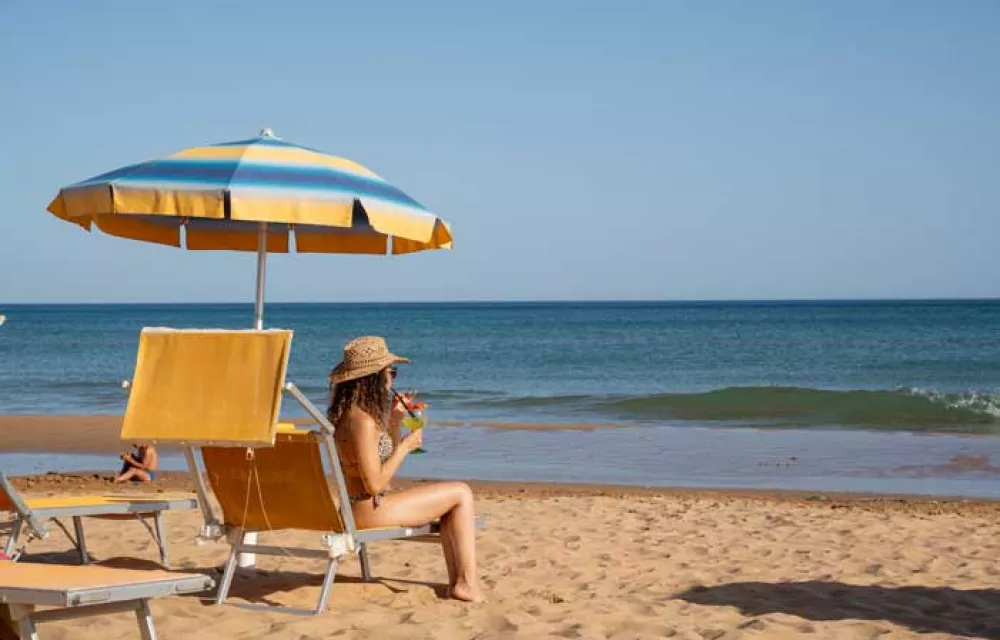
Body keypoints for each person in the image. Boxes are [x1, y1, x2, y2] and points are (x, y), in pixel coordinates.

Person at [327, 336, 484, 602]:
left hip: (356, 508)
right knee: (461, 492)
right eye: (391, 372)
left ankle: (460, 583)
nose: (392, 379)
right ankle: (467, 583)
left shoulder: (348, 416)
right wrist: (405, 447)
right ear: (374, 377)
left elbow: (374, 464)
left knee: (451, 503)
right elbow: (374, 485)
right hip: (369, 510)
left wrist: (394, 421)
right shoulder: (362, 421)